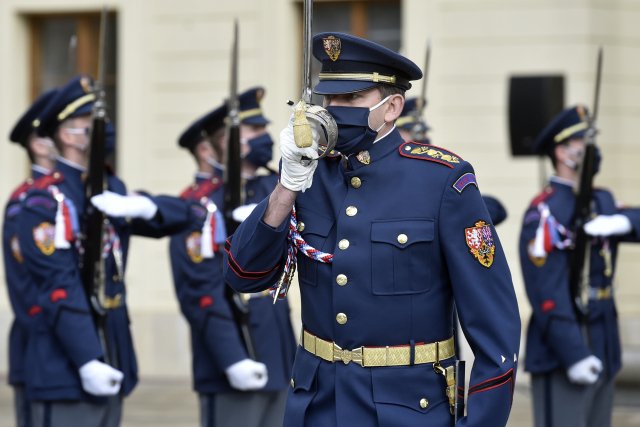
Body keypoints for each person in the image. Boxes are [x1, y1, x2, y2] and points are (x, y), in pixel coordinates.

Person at [224, 32, 521, 427]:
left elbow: (494, 325)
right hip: (318, 407)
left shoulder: (443, 181)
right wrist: (287, 184)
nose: (335, 110)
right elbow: (243, 275)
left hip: (408, 409)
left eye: (352, 99)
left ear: (392, 107)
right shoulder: (309, 174)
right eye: (330, 99)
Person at [15, 75, 191, 427]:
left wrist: (144, 207)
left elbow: (185, 216)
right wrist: (86, 358)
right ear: (66, 136)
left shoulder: (112, 188)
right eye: (91, 125)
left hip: (111, 346)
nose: (104, 131)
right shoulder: (42, 201)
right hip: (65, 357)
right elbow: (57, 285)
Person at [171, 86, 296, 427]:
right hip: (235, 353)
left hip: (279, 353)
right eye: (251, 132)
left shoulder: (269, 189)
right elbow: (200, 292)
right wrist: (232, 358)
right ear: (208, 148)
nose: (263, 138)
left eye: (262, 130)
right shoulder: (200, 206)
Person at [519, 105, 640, 427]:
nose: (591, 149)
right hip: (564, 339)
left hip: (604, 332)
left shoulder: (602, 201)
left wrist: (622, 222)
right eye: (582, 141)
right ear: (561, 151)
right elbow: (545, 290)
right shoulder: (546, 211)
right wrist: (573, 352)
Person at [3, 89, 60, 427]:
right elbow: (23, 279)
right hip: (39, 337)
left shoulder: (69, 195)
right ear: (38, 144)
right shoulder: (26, 201)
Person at [397, 96, 507, 226]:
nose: (422, 138)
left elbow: (496, 210)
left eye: (423, 133)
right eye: (410, 131)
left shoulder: (438, 166)